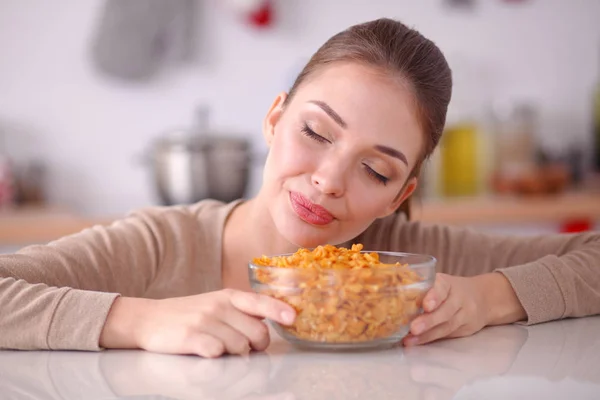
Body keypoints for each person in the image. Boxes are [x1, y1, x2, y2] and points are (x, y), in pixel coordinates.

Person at [1, 18, 599, 358]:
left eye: (376, 170)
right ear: (273, 118)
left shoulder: (410, 269)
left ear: (399, 195)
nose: (328, 180)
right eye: (316, 132)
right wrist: (139, 322)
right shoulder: (159, 247)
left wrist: (490, 297)